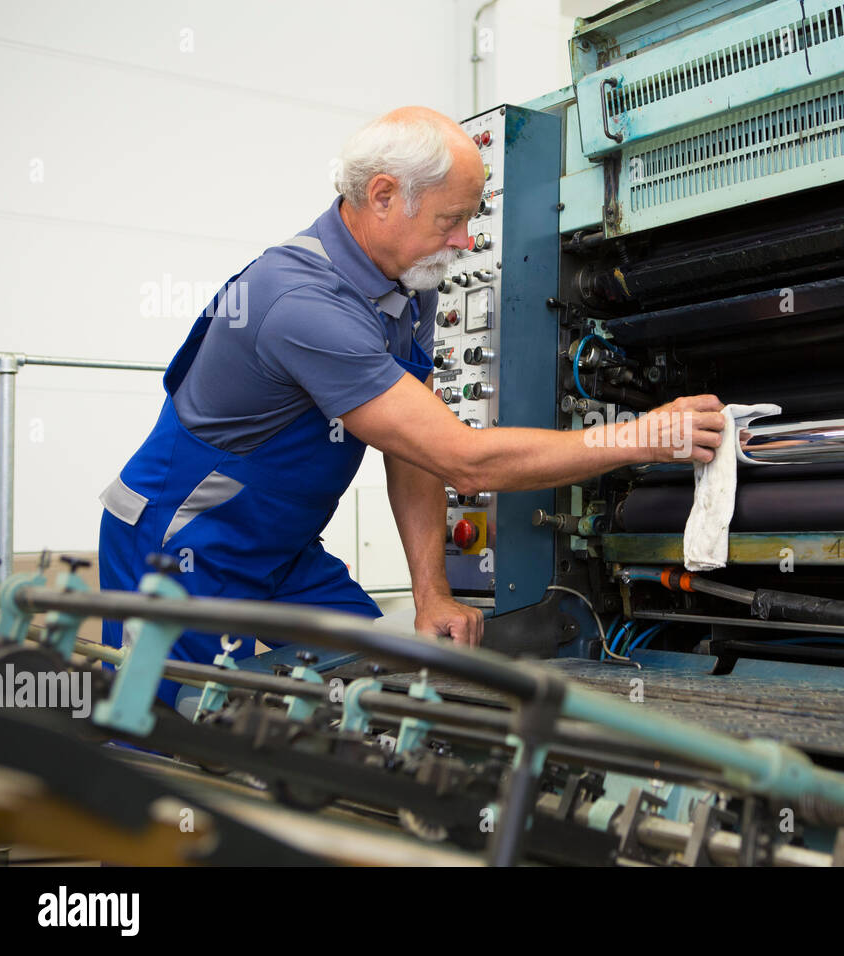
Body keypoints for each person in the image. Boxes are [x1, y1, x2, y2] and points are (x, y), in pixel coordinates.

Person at [97, 106, 724, 704]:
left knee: (388, 690)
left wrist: (432, 593)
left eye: (471, 218)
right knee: (167, 729)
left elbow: (415, 450)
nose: (464, 239)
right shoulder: (301, 303)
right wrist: (641, 438)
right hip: (178, 544)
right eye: (451, 220)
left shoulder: (409, 283)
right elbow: (464, 459)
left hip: (281, 550)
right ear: (383, 196)